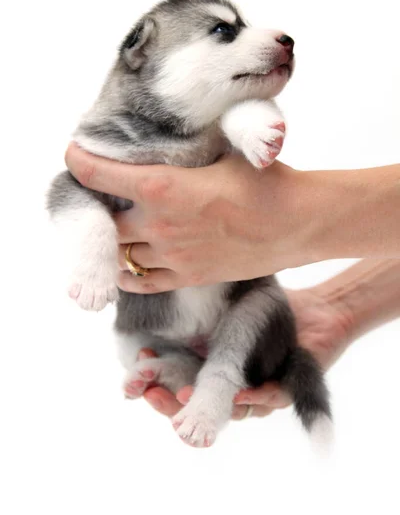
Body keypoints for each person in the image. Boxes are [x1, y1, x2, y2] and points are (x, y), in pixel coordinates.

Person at [65, 144, 400, 419]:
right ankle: (181, 368)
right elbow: (69, 194)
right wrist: (338, 305)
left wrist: (288, 221)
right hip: (166, 330)